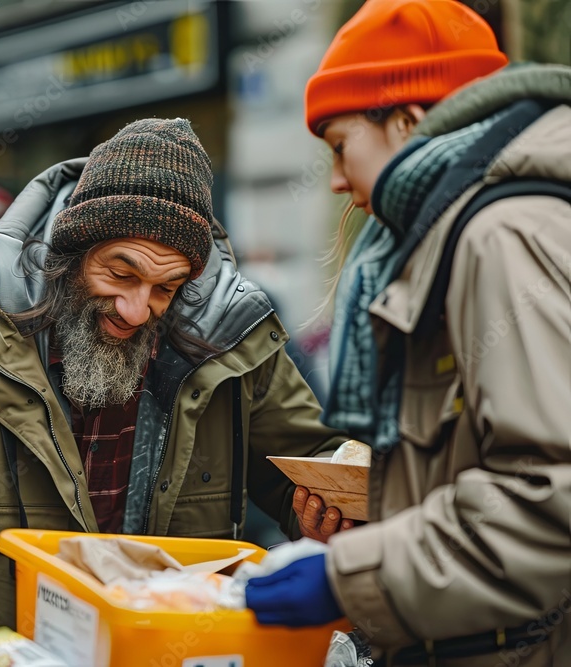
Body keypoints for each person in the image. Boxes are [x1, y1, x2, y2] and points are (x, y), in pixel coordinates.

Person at [0, 117, 353, 661]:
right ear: (70, 253)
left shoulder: (229, 341)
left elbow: (318, 465)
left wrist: (328, 515)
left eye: (166, 288)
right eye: (120, 274)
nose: (137, 310)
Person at [245, 1, 571, 665]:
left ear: (408, 121)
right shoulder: (480, 228)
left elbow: (550, 497)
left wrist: (350, 578)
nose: (337, 181)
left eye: (340, 148)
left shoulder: (499, 235)